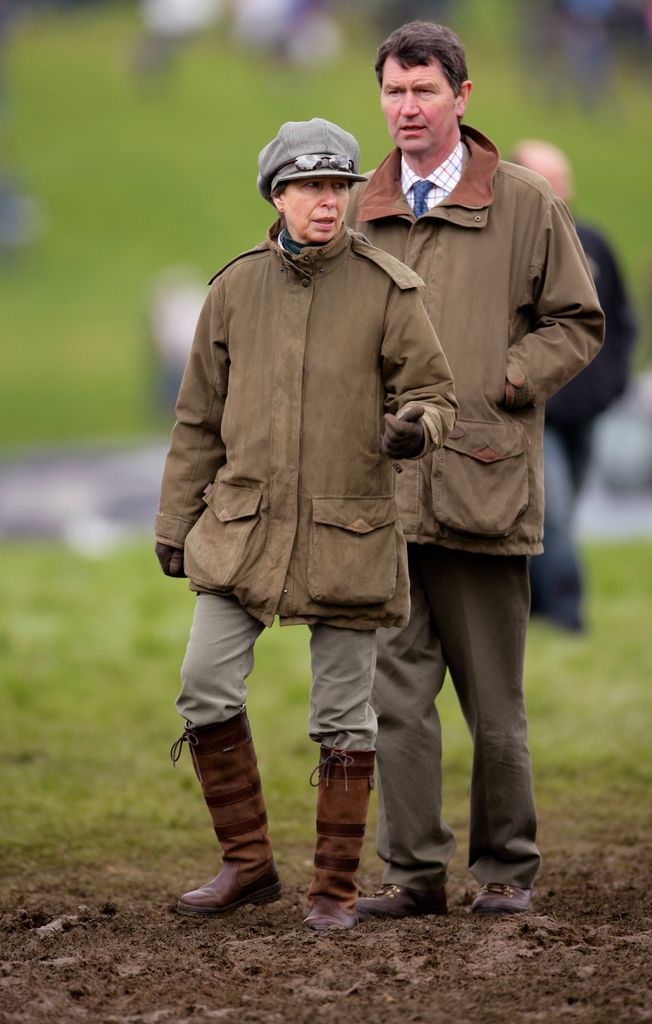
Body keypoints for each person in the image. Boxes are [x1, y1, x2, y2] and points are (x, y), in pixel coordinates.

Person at [154, 117, 457, 932]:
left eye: (339, 187)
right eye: (311, 187)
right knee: (203, 687)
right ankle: (247, 868)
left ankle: (333, 889)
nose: (328, 202)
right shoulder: (232, 290)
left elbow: (437, 395)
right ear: (278, 195)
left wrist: (415, 427)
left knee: (343, 718)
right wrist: (175, 522)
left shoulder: (389, 289)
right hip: (239, 530)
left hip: (348, 532)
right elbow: (196, 422)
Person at [345, 21, 604, 919]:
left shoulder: (527, 202)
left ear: (461, 96)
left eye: (422, 91)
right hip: (385, 497)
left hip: (486, 481)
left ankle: (504, 871)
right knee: (396, 700)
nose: (405, 108)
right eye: (392, 91)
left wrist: (505, 378)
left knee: (495, 704)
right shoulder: (358, 207)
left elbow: (577, 322)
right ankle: (412, 875)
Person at [511, 139, 636, 633]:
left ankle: (535, 604)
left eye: (564, 177)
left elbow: (620, 324)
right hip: (534, 414)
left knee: (560, 512)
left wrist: (611, 389)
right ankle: (567, 616)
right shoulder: (510, 250)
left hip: (587, 415)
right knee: (553, 513)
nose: (562, 188)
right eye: (549, 178)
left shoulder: (594, 246)